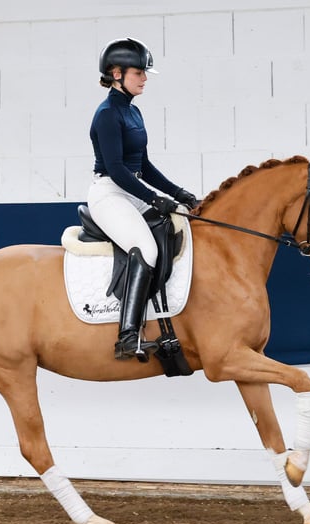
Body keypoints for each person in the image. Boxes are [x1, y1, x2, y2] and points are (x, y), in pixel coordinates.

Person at [88, 37, 198, 362]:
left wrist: (177, 194)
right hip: (110, 193)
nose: (145, 78)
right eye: (139, 72)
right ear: (117, 73)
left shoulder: (134, 113)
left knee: (179, 226)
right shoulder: (107, 114)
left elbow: (143, 166)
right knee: (146, 249)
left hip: (131, 190)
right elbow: (117, 169)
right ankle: (127, 336)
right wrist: (153, 198)